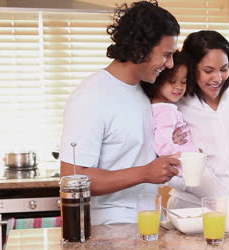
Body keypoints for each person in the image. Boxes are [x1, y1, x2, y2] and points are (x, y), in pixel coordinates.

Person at [59, 0, 181, 225]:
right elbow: (72, 178)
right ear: (141, 48)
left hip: (147, 223)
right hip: (111, 228)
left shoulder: (142, 91)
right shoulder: (91, 96)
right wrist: (145, 172)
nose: (171, 64)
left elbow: (131, 152)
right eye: (166, 55)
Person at [167, 30, 229, 209]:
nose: (218, 78)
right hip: (192, 210)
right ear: (192, 68)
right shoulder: (176, 105)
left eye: (224, 69)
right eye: (208, 71)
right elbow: (166, 168)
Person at [141, 51, 198, 156]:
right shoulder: (166, 111)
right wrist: (191, 155)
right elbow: (163, 147)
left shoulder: (156, 108)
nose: (179, 87)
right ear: (158, 79)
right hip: (183, 167)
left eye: (183, 82)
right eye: (172, 81)